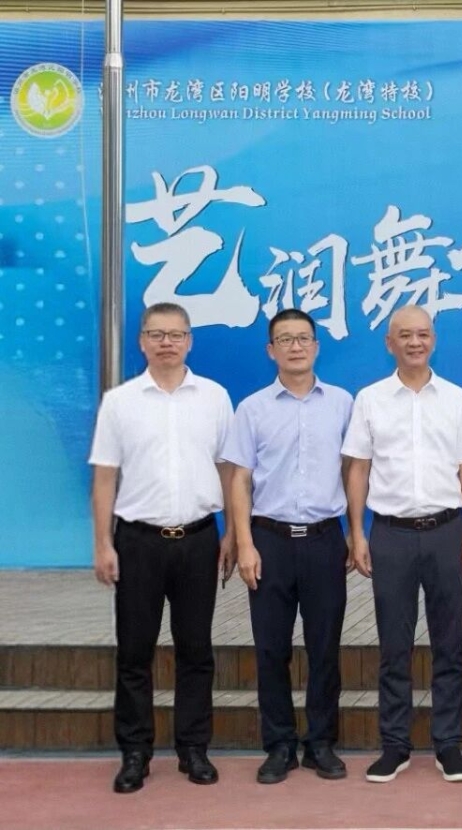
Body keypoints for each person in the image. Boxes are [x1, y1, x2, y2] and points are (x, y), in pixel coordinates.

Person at [89, 302, 235, 793]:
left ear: (190, 340)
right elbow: (104, 477)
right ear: (142, 341)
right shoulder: (120, 402)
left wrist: (233, 532)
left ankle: (193, 749)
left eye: (176, 334)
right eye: (157, 334)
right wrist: (103, 543)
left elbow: (230, 470)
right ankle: (135, 753)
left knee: (196, 649)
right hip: (138, 542)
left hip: (198, 539)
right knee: (134, 651)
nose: (167, 342)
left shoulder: (214, 397)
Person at [342, 306, 462, 784]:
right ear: (390, 343)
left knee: (449, 645)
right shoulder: (370, 399)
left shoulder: (457, 399)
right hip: (391, 534)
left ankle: (448, 744)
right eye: (405, 335)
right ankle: (395, 745)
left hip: (447, 532)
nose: (415, 342)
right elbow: (358, 468)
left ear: (433, 340)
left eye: (422, 334)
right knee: (393, 645)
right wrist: (357, 532)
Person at [221, 309, 354, 784]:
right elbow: (239, 478)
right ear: (270, 350)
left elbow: (353, 472)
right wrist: (244, 542)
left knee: (325, 648)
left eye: (303, 339)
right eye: (285, 340)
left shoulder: (342, 404)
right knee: (270, 649)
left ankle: (321, 743)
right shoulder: (252, 408)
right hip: (269, 541)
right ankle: (279, 745)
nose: (295, 347)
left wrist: (355, 535)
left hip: (324, 540)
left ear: (316, 346)